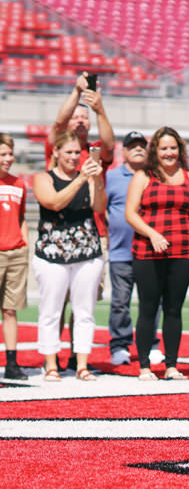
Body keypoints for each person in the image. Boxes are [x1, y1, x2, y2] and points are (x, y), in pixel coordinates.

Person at [46, 72, 114, 370]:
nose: (80, 120)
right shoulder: (60, 150)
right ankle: (54, 354)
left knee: (84, 300)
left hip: (95, 231)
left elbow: (110, 145)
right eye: (77, 116)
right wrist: (75, 93)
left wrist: (99, 109)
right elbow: (58, 126)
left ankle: (77, 354)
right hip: (61, 231)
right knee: (58, 299)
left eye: (85, 118)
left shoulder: (94, 152)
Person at [126, 127, 189, 380]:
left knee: (174, 309)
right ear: (155, 152)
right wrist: (152, 234)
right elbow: (130, 213)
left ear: (180, 150)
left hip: (182, 251)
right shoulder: (143, 176)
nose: (169, 153)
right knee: (148, 308)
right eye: (164, 149)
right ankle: (145, 367)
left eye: (173, 148)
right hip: (147, 252)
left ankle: (171, 365)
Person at [32, 130, 106, 382]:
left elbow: (99, 207)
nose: (74, 157)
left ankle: (82, 364)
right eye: (69, 152)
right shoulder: (44, 178)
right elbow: (53, 202)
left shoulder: (87, 178)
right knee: (51, 309)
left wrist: (96, 181)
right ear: (56, 153)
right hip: (52, 253)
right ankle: (51, 363)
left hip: (87, 252)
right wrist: (80, 179)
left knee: (85, 310)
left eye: (77, 152)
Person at [105, 131, 164, 366]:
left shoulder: (156, 176)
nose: (138, 149)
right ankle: (119, 345)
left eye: (142, 146)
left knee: (151, 300)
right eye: (133, 146)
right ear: (124, 151)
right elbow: (101, 207)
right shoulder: (111, 177)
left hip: (150, 250)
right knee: (120, 301)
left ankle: (150, 344)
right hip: (121, 251)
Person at [0, 134, 29, 380]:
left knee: (10, 310)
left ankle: (11, 363)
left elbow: (20, 218)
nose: (8, 159)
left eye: (10, 154)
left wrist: (24, 245)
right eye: (3, 154)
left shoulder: (18, 183)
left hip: (15, 253)